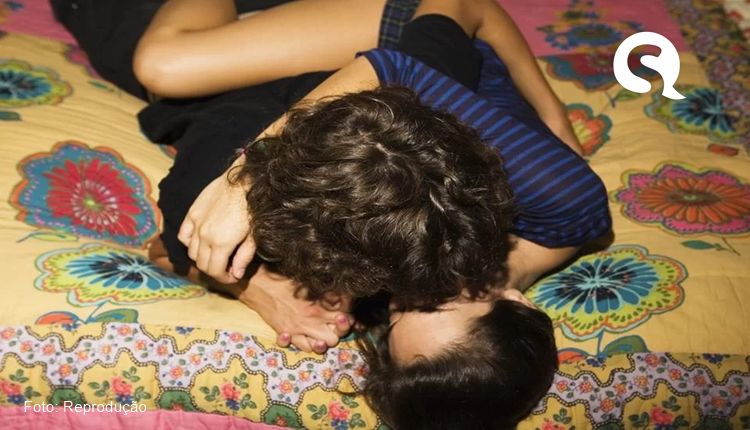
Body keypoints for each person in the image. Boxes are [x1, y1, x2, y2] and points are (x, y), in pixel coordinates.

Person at [52, 0, 611, 427]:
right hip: (401, 37)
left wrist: (257, 289)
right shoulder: (563, 203)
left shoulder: (380, 289)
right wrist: (248, 173)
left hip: (297, 88)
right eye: (438, 300)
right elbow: (442, 27)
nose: (407, 294)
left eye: (396, 318)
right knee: (165, 65)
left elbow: (170, 246)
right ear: (515, 300)